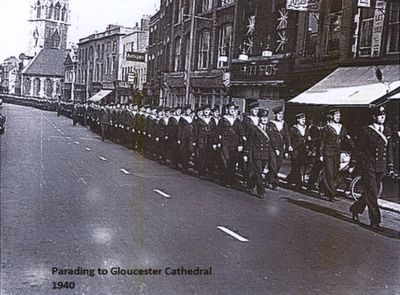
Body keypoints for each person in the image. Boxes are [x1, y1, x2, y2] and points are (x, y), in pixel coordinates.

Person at [349, 106, 394, 230]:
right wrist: (352, 163)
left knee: (370, 192)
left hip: (381, 166)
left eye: (384, 115)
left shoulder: (387, 130)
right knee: (372, 193)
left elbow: (388, 149)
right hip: (368, 165)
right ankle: (375, 220)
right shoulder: (366, 131)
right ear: (374, 117)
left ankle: (355, 208)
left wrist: (390, 165)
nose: (382, 117)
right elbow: (358, 148)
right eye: (380, 115)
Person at [320, 108, 351, 202]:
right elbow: (322, 142)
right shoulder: (327, 128)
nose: (338, 117)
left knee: (335, 173)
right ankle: (331, 194)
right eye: (336, 115)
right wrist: (321, 154)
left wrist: (352, 143)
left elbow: (346, 138)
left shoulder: (342, 127)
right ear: (332, 116)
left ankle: (323, 187)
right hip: (328, 152)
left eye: (339, 116)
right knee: (329, 173)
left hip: (337, 153)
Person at [216, 102, 246, 187]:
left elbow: (241, 131)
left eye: (233, 109)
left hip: (234, 143)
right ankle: (225, 178)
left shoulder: (237, 120)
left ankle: (229, 179)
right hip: (225, 142)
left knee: (232, 161)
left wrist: (242, 140)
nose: (232, 111)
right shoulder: (223, 119)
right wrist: (217, 142)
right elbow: (218, 131)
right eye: (230, 109)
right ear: (227, 110)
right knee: (225, 160)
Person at [246, 109, 271, 198]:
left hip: (265, 154)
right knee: (259, 172)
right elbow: (250, 142)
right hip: (256, 154)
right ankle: (261, 190)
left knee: (258, 172)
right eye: (262, 117)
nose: (264, 119)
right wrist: (247, 153)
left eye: (266, 117)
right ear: (259, 118)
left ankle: (250, 185)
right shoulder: (254, 129)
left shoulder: (269, 129)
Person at [266, 106, 292, 190]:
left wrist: (289, 145)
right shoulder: (271, 124)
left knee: (278, 164)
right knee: (273, 164)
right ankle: (273, 182)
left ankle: (269, 177)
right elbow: (271, 137)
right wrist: (275, 148)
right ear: (275, 115)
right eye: (278, 114)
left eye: (281, 114)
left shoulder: (283, 123)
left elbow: (287, 135)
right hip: (272, 147)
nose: (280, 116)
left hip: (281, 147)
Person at [287, 112, 309, 190]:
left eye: (304, 119)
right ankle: (298, 184)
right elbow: (289, 138)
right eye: (302, 119)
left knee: (298, 166)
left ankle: (290, 178)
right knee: (296, 166)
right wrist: (289, 146)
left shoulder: (306, 128)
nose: (303, 121)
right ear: (298, 120)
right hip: (295, 150)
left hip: (303, 150)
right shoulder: (293, 128)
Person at [193, 104, 216, 178]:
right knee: (201, 155)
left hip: (209, 139)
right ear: (203, 111)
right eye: (205, 110)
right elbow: (196, 131)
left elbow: (214, 130)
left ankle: (206, 170)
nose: (207, 112)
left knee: (208, 155)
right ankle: (201, 172)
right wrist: (195, 141)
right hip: (201, 139)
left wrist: (214, 141)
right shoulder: (198, 120)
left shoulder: (212, 119)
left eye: (208, 110)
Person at [178, 105, 195, 173]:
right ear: (185, 111)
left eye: (189, 110)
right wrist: (179, 138)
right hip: (184, 137)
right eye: (187, 110)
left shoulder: (191, 118)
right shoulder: (182, 118)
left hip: (190, 137)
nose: (188, 111)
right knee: (184, 151)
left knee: (190, 150)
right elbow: (179, 129)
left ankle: (187, 163)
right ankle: (184, 166)